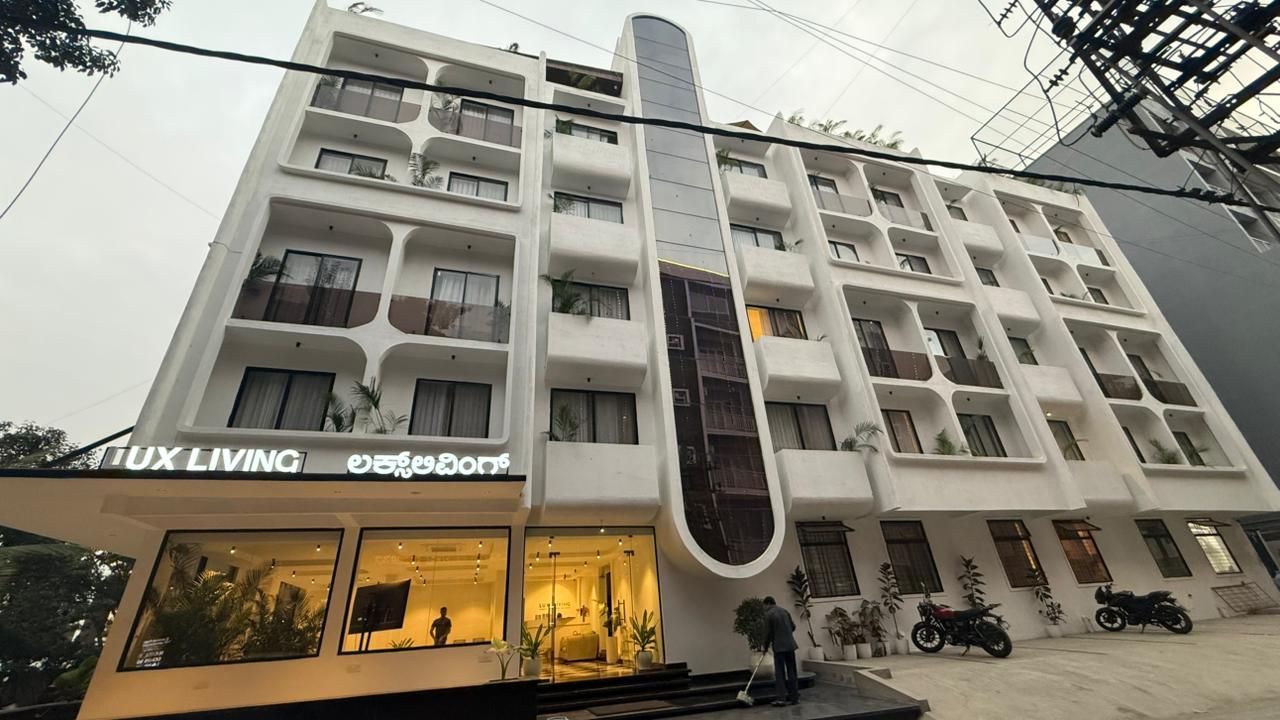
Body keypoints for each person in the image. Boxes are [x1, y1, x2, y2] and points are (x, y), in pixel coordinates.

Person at [762, 596, 799, 706]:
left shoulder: (769, 614)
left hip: (779, 647)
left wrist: (765, 647)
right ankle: (794, 697)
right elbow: (793, 627)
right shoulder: (784, 611)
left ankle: (781, 698)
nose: (764, 608)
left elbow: (767, 633)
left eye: (764, 606)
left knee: (780, 673)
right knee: (792, 672)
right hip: (790, 645)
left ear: (767, 604)